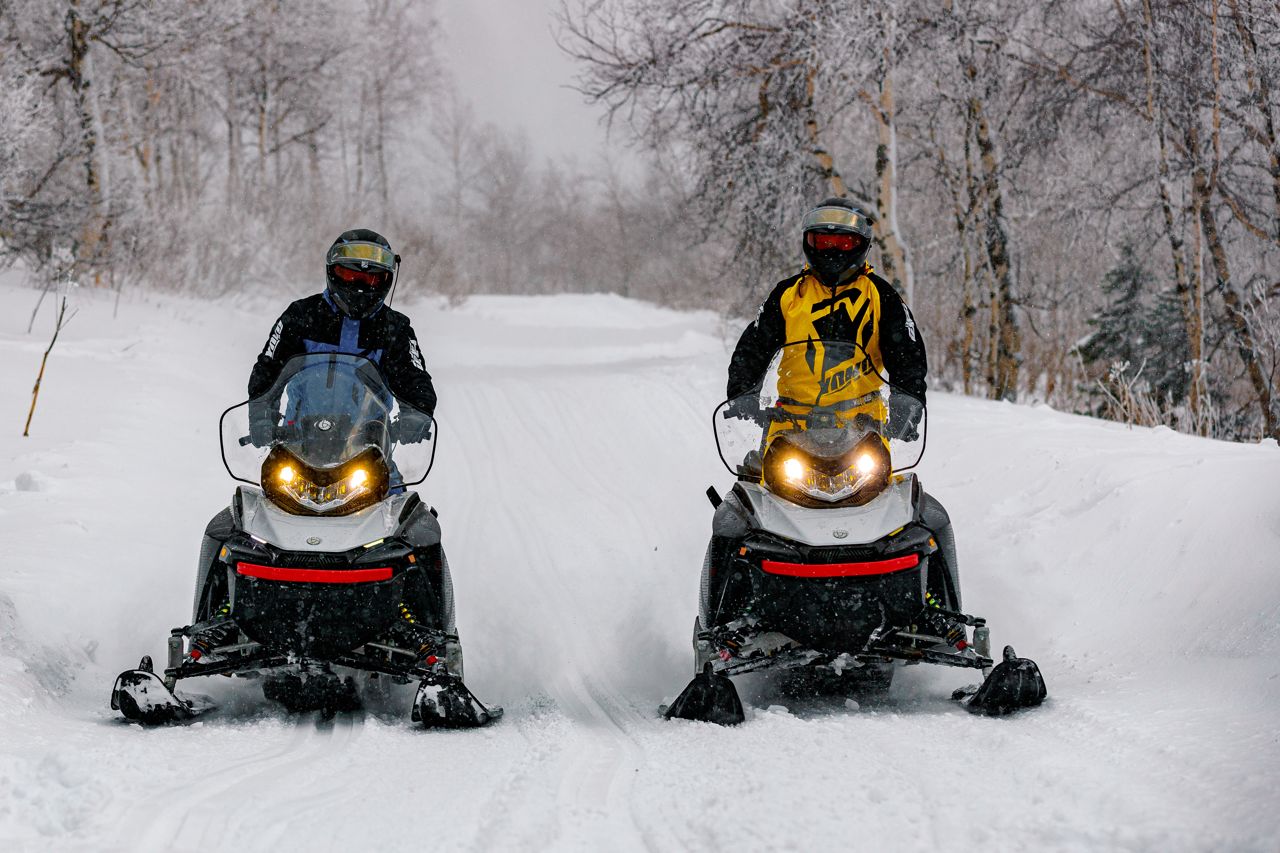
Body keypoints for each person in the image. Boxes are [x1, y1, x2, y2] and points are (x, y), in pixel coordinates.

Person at [189, 229, 460, 673]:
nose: (359, 286)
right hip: (298, 446)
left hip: (368, 449)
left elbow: (416, 381)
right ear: (331, 272)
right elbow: (268, 368)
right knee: (230, 526)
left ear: (387, 282)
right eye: (350, 274)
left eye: (371, 280)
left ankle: (435, 642)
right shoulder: (300, 316)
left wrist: (415, 414)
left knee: (418, 530)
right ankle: (207, 630)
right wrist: (260, 416)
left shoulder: (395, 329)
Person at [700, 197, 962, 634]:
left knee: (926, 516)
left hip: (861, 432)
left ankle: (943, 616)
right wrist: (742, 396)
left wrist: (907, 404)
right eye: (824, 241)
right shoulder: (788, 296)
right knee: (735, 520)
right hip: (790, 431)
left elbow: (909, 357)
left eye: (843, 242)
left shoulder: (882, 298)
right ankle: (723, 626)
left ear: (861, 246)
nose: (833, 251)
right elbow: (752, 347)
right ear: (809, 243)